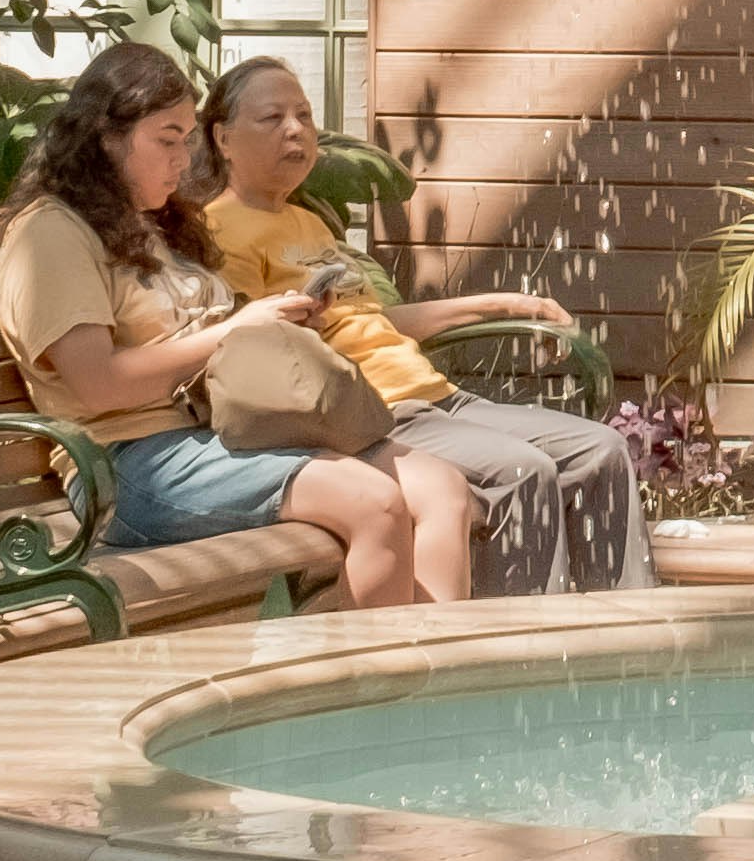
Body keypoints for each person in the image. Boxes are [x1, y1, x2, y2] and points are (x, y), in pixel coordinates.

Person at [0, 40, 478, 608]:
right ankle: (365, 688)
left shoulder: (150, 224)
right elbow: (99, 386)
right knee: (373, 503)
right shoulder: (51, 235)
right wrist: (236, 330)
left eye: (186, 141)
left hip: (222, 431)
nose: (184, 160)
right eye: (167, 140)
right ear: (105, 136)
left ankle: (426, 676)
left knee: (441, 488)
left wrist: (281, 321)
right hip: (127, 463)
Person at [197, 57, 650, 595]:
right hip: (372, 415)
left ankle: (623, 646)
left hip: (436, 398)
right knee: (521, 472)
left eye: (304, 115)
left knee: (602, 451)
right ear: (223, 139)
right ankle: (519, 657)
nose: (295, 130)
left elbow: (371, 321)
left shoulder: (306, 221)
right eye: (272, 118)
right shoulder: (219, 230)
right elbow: (247, 354)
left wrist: (495, 304)